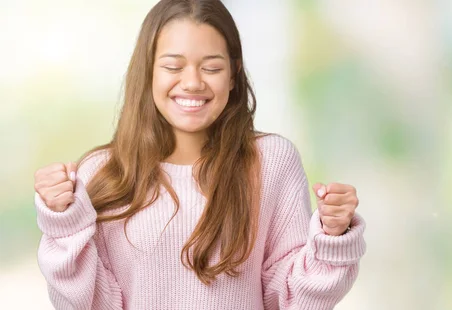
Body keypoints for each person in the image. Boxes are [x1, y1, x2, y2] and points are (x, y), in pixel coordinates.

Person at [33, 0, 366, 309]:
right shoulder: (103, 173)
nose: (192, 83)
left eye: (211, 68)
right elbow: (86, 302)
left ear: (234, 75)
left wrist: (332, 236)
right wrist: (64, 221)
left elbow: (289, 297)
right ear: (148, 71)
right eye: (173, 66)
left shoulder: (271, 161)